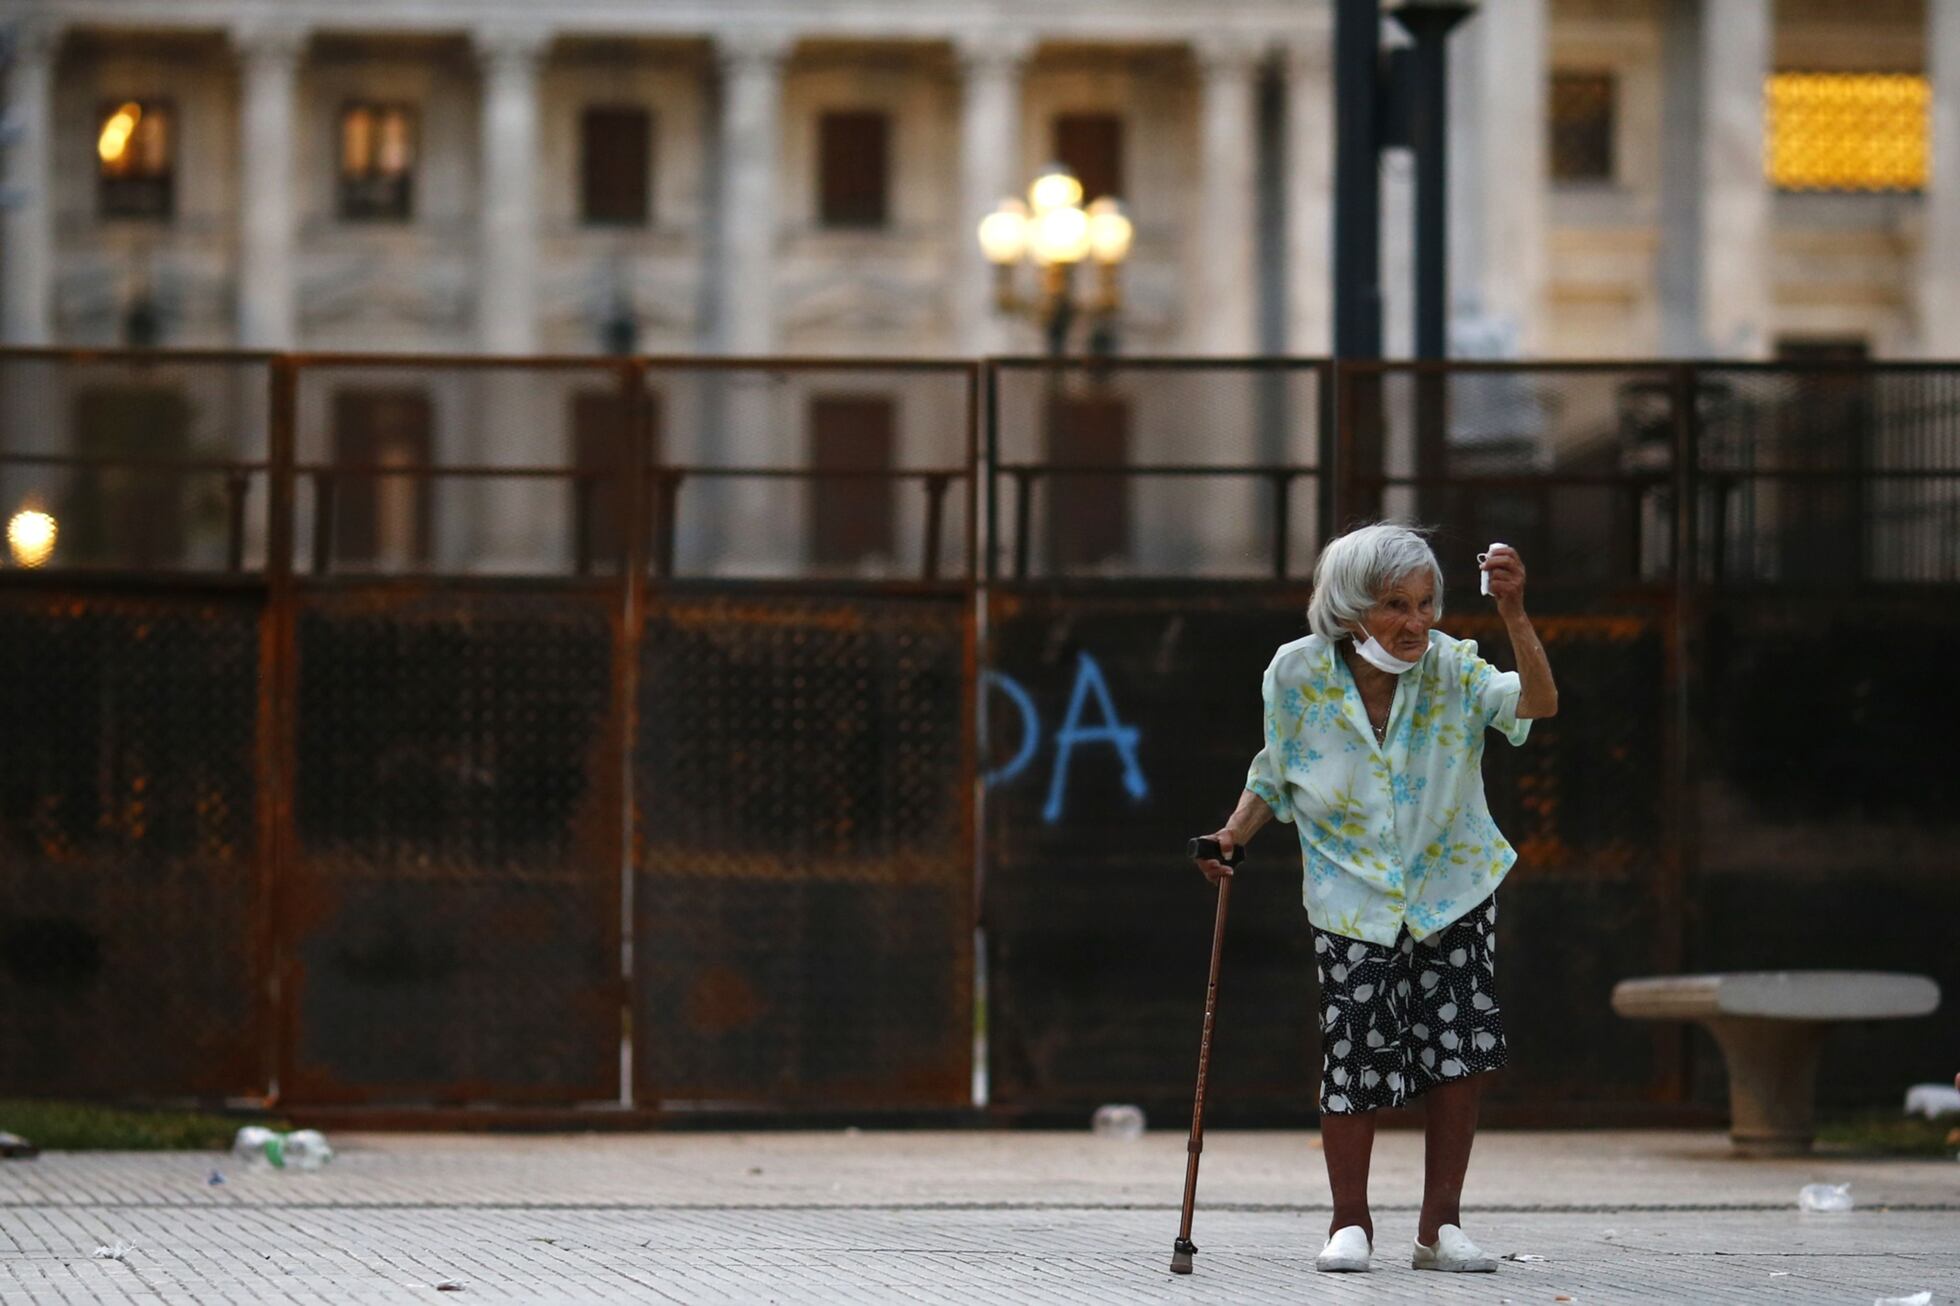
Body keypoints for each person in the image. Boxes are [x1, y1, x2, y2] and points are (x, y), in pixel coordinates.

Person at [1194, 522, 1557, 1275]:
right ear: (1352, 607)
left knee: (1458, 1054)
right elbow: (1278, 768)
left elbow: (1537, 706)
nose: (1416, 621)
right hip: (1349, 892)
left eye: (1426, 603)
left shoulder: (1455, 665)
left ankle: (1440, 1229)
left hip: (1451, 887)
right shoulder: (1297, 673)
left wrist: (1515, 614)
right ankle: (1349, 1223)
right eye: (1396, 604)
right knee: (1353, 1050)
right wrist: (1234, 836)